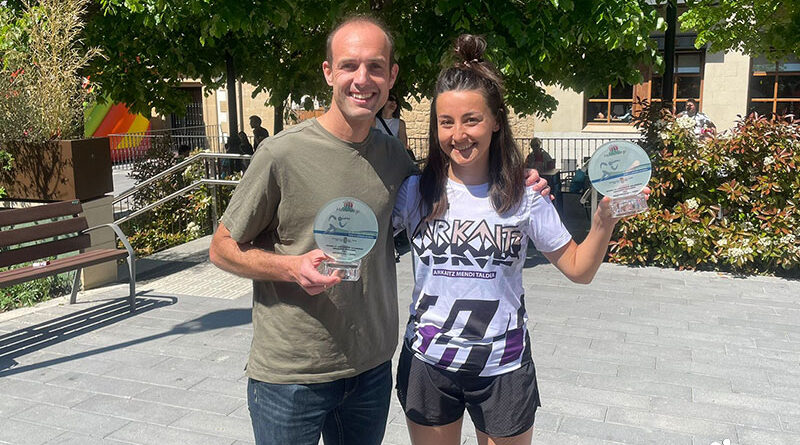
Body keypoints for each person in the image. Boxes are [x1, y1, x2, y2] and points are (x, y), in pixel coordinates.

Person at [208, 17, 550, 445]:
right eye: (349, 65)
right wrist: (289, 267)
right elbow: (222, 249)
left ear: (391, 76)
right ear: (329, 72)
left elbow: (456, 186)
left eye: (375, 66)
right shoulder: (282, 153)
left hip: (369, 369)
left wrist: (521, 180)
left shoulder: (394, 158)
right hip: (292, 373)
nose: (361, 79)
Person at [392, 34, 649, 445]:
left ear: (496, 121)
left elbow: (579, 270)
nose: (459, 134)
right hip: (429, 362)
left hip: (503, 366)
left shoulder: (526, 197)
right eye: (446, 121)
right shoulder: (413, 193)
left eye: (471, 119)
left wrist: (603, 220)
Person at [375, 93, 412, 159]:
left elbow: (403, 145)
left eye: (396, 102)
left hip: (394, 157)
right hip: (378, 157)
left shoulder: (400, 123)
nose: (394, 102)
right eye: (391, 99)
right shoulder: (373, 121)